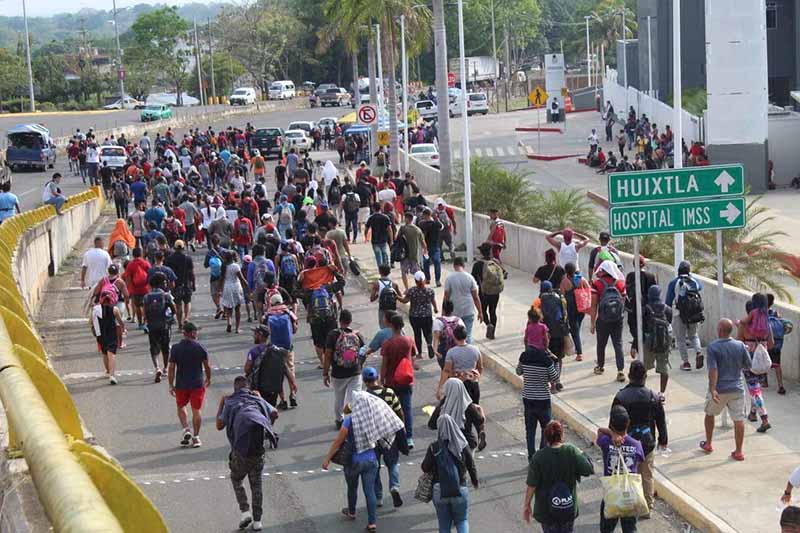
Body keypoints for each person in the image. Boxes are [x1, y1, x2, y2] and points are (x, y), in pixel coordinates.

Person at [322, 391, 404, 533]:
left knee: (352, 488)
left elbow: (338, 441)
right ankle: (372, 523)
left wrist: (327, 458)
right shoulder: (373, 418)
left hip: (353, 461)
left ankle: (352, 511)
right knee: (369, 491)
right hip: (371, 460)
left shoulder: (350, 420)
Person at [215, 376, 278, 532]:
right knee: (256, 485)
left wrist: (221, 404)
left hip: (240, 452)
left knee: (236, 478)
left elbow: (219, 425)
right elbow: (275, 413)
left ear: (235, 388)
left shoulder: (230, 402)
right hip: (258, 451)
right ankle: (257, 521)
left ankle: (245, 511)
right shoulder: (256, 399)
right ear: (248, 388)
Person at [611, 360, 668, 514]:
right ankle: (647, 507)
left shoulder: (621, 396)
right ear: (645, 376)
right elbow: (661, 420)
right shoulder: (653, 396)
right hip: (647, 442)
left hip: (626, 442)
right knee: (647, 475)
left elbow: (613, 422)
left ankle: (628, 504)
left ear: (629, 376)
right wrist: (663, 439)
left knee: (628, 474)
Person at [523, 420, 595, 532]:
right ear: (561, 435)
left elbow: (531, 485)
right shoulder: (571, 451)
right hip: (567, 506)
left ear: (546, 437)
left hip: (546, 511)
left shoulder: (538, 457)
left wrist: (527, 505)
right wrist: (581, 453)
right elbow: (588, 469)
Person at [700, 319, 751, 461]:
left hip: (720, 389)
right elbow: (748, 365)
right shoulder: (740, 345)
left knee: (709, 414)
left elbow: (713, 369)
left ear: (720, 330)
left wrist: (712, 388)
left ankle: (708, 444)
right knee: (738, 419)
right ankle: (739, 451)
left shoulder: (713, 347)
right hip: (737, 389)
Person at [420, 414, 479, 533]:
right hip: (460, 488)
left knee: (444, 524)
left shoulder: (434, 447)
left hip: (439, 490)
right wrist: (474, 480)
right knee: (462, 520)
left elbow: (425, 467)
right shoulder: (462, 444)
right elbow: (471, 465)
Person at [362, 366, 408, 509]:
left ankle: (378, 497)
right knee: (392, 463)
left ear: (365, 381)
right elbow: (399, 412)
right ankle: (394, 487)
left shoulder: (364, 397)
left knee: (375, 467)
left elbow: (356, 414)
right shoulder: (389, 393)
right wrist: (402, 429)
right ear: (377, 378)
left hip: (372, 437)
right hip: (390, 435)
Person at [596, 405, 645, 533]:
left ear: (611, 423)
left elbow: (600, 430)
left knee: (606, 529)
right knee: (630, 529)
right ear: (628, 423)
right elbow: (638, 464)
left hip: (611, 494)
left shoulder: (606, 441)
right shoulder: (636, 445)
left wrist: (612, 434)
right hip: (630, 494)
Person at [168, 321, 212, 448]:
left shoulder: (176, 348)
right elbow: (207, 366)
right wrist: (208, 378)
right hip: (197, 383)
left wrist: (171, 384)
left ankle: (186, 429)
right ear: (192, 333)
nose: (197, 333)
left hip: (181, 383)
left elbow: (171, 367)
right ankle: (196, 437)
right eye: (196, 331)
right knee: (196, 410)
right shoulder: (200, 347)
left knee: (181, 406)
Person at [736, 293, 773, 433]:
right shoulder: (766, 324)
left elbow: (739, 342)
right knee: (757, 387)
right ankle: (752, 413)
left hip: (749, 360)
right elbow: (771, 344)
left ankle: (764, 419)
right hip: (763, 359)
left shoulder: (744, 326)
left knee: (754, 389)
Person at [324, 309, 366, 428]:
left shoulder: (333, 335)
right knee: (355, 397)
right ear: (350, 321)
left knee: (339, 397)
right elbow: (364, 352)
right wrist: (360, 364)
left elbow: (327, 355)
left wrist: (325, 373)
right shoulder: (357, 334)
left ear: (339, 320)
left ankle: (339, 420)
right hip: (355, 371)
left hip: (338, 373)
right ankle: (353, 420)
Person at [381, 314, 417, 448]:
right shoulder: (409, 341)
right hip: (406, 380)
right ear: (402, 326)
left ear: (391, 326)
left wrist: (381, 380)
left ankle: (393, 436)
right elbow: (413, 356)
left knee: (390, 410)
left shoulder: (387, 344)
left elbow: (384, 364)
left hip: (391, 382)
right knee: (406, 409)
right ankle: (409, 438)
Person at [591, 260, 627, 382]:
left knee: (601, 344)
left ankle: (600, 366)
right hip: (617, 320)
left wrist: (592, 323)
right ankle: (620, 371)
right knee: (618, 344)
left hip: (602, 320)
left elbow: (594, 305)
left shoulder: (597, 284)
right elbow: (622, 303)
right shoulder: (621, 284)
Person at [665, 260, 705, 371]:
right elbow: (700, 287)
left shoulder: (674, 283)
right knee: (694, 335)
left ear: (678, 271)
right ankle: (698, 352)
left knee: (680, 338)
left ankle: (686, 363)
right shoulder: (694, 281)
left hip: (679, 314)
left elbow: (668, 301)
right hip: (694, 313)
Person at [245, 325, 297, 408]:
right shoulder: (277, 350)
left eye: (255, 334)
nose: (254, 336)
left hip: (258, 388)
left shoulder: (253, 351)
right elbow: (285, 368)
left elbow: (247, 369)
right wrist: (293, 382)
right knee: (270, 410)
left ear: (260, 335)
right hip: (273, 389)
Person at [429, 377, 486, 451]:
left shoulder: (443, 406)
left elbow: (432, 425)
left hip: (448, 444)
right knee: (469, 462)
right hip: (468, 443)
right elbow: (480, 420)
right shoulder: (469, 405)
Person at [143, 273, 177, 383]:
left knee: (153, 347)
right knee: (165, 347)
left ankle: (157, 367)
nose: (166, 283)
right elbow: (173, 309)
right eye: (164, 282)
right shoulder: (166, 295)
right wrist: (171, 317)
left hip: (152, 326)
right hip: (164, 325)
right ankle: (165, 369)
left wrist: (146, 322)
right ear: (160, 283)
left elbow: (145, 312)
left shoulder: (147, 296)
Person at [641, 285, 673, 394]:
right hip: (664, 341)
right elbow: (669, 322)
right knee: (663, 368)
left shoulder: (646, 308)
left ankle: (641, 389)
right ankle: (662, 393)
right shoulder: (667, 309)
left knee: (643, 367)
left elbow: (642, 326)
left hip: (649, 342)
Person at [443, 257, 483, 343]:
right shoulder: (470, 277)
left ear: (454, 266)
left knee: (455, 335)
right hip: (468, 310)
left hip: (455, 312)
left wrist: (444, 312)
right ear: (463, 265)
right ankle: (468, 351)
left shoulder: (449, 278)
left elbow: (446, 297)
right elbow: (476, 297)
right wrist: (480, 312)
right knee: (468, 335)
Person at [538, 280, 568, 390]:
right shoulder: (559, 299)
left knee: (548, 359)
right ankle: (557, 380)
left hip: (546, 335)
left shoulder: (540, 301)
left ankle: (551, 384)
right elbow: (564, 316)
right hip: (559, 333)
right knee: (558, 358)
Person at [90, 289, 125, 385]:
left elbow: (91, 322)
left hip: (100, 335)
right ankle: (112, 375)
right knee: (111, 354)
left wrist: (94, 333)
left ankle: (107, 371)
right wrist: (123, 329)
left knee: (105, 353)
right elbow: (120, 321)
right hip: (111, 334)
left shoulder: (95, 309)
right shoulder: (114, 309)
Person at [401, 271, 438, 360]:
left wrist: (397, 297)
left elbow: (405, 301)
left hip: (414, 316)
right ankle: (429, 344)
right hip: (427, 316)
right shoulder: (430, 291)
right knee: (428, 333)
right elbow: (433, 300)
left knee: (417, 334)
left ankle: (420, 353)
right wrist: (435, 308)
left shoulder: (412, 291)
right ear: (424, 279)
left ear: (415, 281)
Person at [625, 256, 658, 358]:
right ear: (644, 264)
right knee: (644, 327)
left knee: (633, 327)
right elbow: (655, 292)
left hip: (632, 307)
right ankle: (637, 345)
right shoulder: (650, 276)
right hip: (646, 307)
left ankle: (636, 345)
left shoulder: (630, 276)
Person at [472, 242, 505, 340]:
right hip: (495, 291)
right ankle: (493, 332)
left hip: (484, 292)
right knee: (493, 311)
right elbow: (504, 274)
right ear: (490, 251)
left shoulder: (478, 264)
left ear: (481, 252)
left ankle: (488, 324)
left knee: (483, 310)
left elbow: (473, 278)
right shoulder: (496, 262)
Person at [560, 262, 589, 362]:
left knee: (575, 331)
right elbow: (588, 288)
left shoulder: (564, 282)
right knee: (576, 328)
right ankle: (578, 346)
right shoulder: (581, 279)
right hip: (581, 308)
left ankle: (580, 353)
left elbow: (562, 296)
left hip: (571, 309)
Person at [164, 240, 196, 327]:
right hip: (186, 283)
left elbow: (167, 273)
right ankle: (186, 317)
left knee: (178, 305)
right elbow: (192, 272)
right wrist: (193, 283)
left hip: (175, 285)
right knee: (187, 302)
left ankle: (180, 323)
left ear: (174, 248)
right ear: (183, 247)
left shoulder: (169, 259)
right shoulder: (188, 258)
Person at [221, 251, 248, 334]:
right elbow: (241, 278)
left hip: (227, 287)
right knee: (237, 308)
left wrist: (220, 289)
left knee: (229, 307)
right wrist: (247, 285)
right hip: (236, 287)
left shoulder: (224, 266)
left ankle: (229, 322)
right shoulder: (236, 266)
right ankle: (237, 328)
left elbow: (221, 279)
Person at [365, 203, 394, 267]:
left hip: (375, 240)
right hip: (384, 239)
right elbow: (390, 230)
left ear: (373, 209)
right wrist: (391, 240)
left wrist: (366, 237)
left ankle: (381, 269)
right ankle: (386, 267)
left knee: (378, 255)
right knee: (384, 253)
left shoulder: (371, 217)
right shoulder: (385, 217)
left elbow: (366, 229)